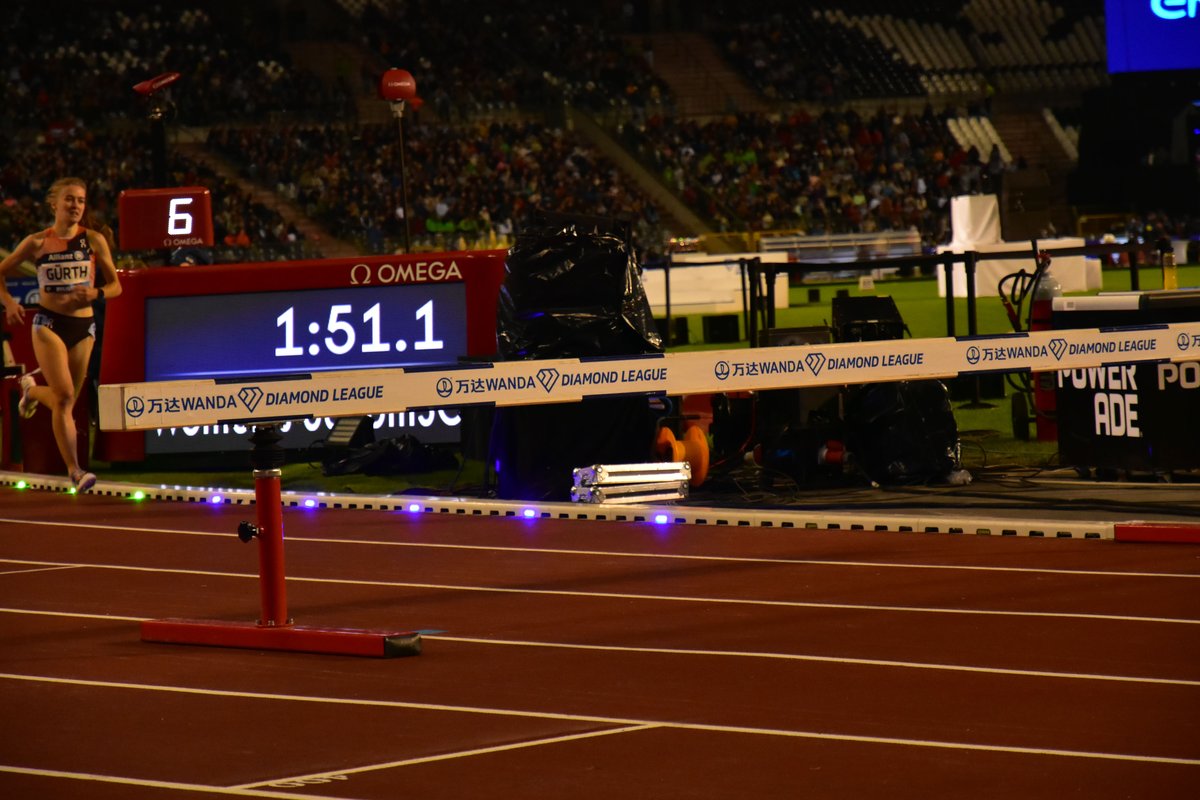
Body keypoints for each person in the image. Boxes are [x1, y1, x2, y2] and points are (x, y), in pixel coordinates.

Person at [0, 177, 121, 491]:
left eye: (81, 200)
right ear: (54, 203)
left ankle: (30, 390)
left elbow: (116, 286)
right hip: (48, 325)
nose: (76, 206)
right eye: (70, 199)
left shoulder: (93, 240)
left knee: (64, 398)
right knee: (65, 397)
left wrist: (95, 293)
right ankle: (75, 471)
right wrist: (9, 301)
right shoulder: (37, 242)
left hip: (83, 328)